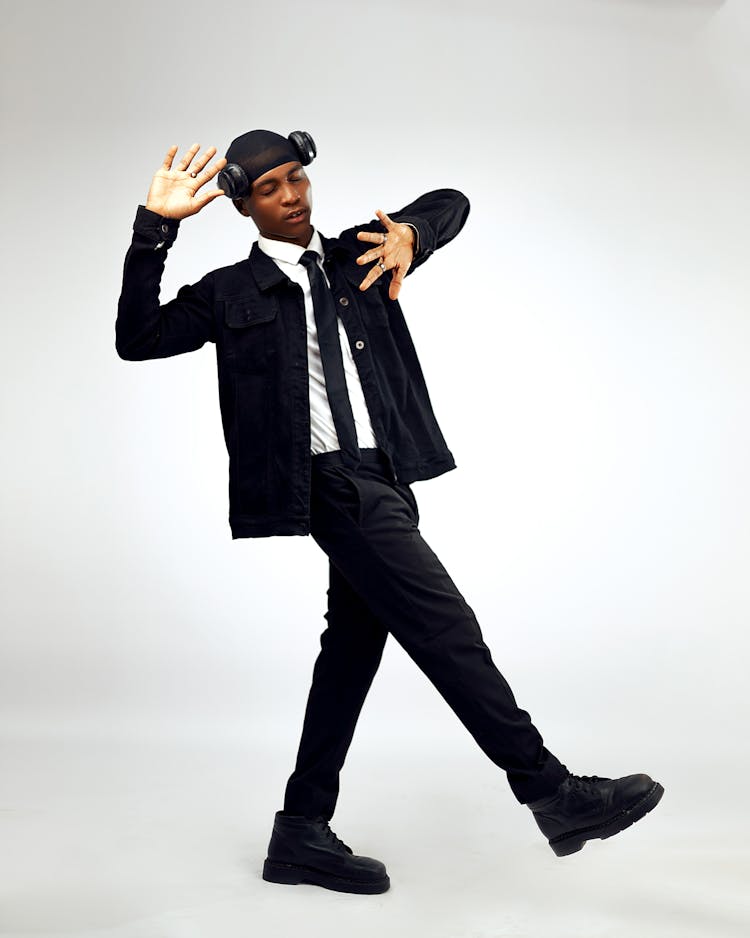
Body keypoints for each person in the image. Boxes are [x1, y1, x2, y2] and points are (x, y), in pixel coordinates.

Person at [116, 129, 664, 896]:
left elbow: (453, 203)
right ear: (242, 205)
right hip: (331, 486)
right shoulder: (230, 292)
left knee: (351, 652)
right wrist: (156, 228)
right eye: (270, 188)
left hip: (387, 477)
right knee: (447, 628)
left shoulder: (357, 258)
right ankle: (552, 792)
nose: (293, 195)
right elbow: (136, 339)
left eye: (298, 178)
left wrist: (411, 232)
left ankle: (300, 830)